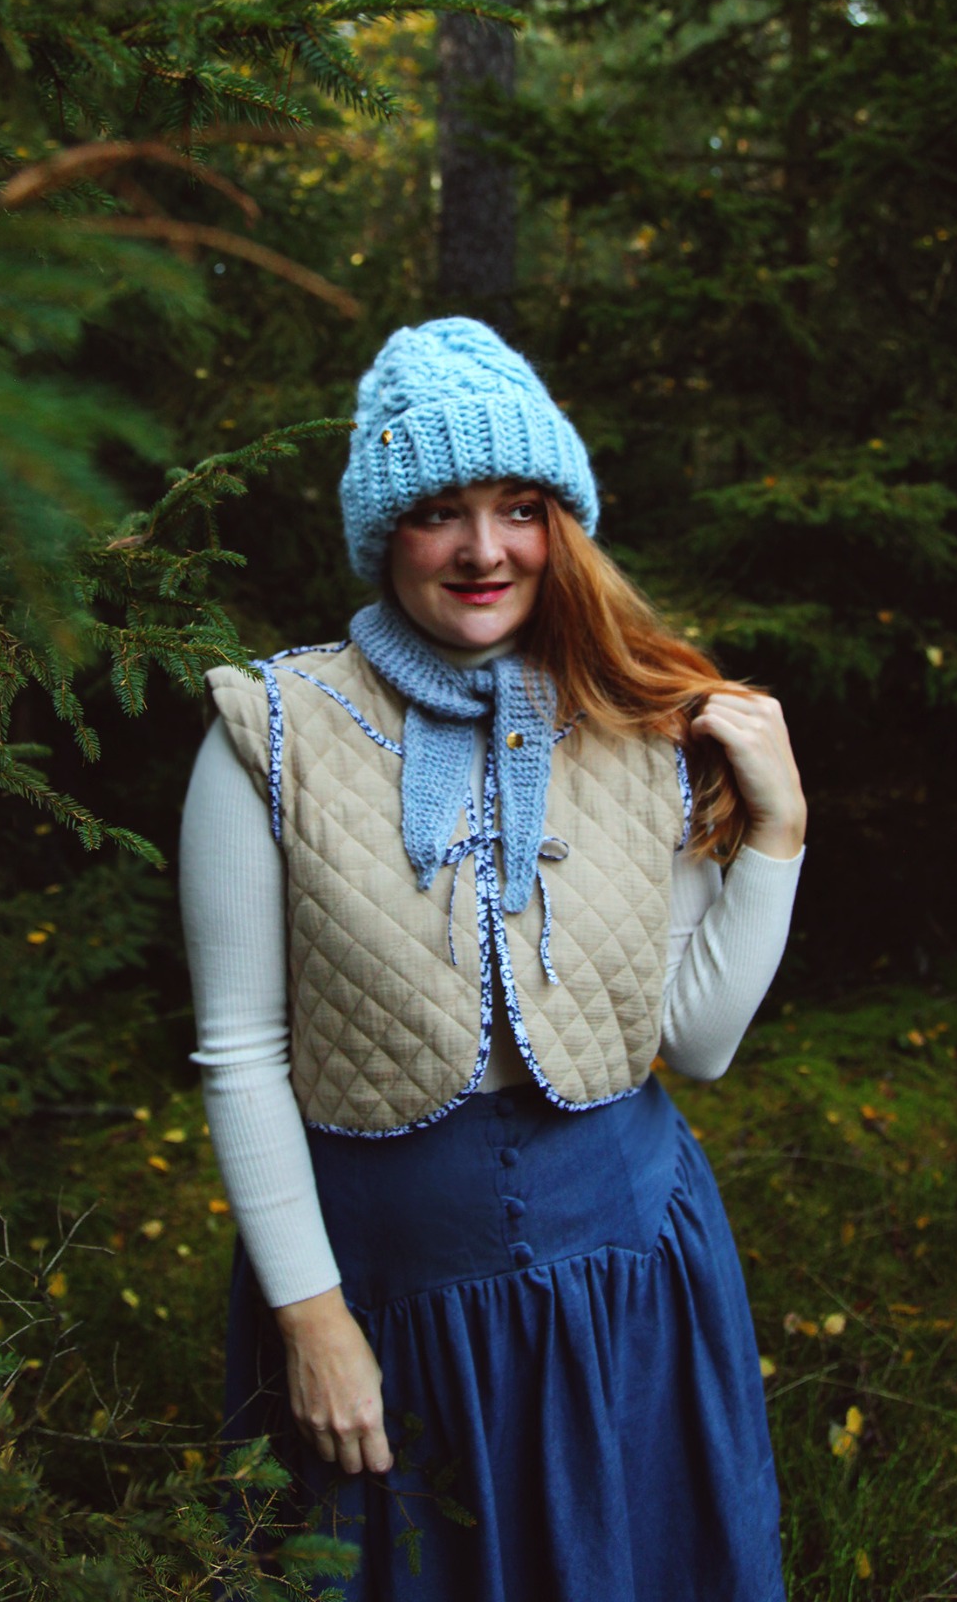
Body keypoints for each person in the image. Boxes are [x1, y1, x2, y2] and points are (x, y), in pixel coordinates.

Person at [179, 316, 806, 1602]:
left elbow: (695, 1044)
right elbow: (240, 1054)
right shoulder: (271, 728)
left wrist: (779, 833)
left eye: (519, 508)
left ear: (561, 524)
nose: (484, 550)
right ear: (382, 534)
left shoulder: (636, 720)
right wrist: (311, 1318)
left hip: (628, 1282)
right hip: (380, 1298)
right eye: (437, 513)